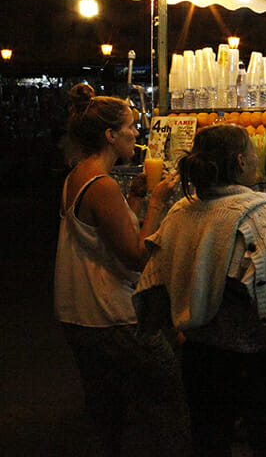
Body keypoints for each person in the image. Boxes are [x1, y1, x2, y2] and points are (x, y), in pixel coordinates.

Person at [134, 124, 266, 457]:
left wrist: (181, 324)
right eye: (254, 153)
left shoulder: (181, 211)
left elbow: (153, 283)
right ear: (241, 161)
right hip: (251, 361)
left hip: (198, 356)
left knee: (208, 441)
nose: (257, 160)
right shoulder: (263, 216)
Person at [55, 83, 188, 457]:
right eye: (130, 127)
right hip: (111, 317)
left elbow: (99, 238)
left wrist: (135, 198)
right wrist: (159, 202)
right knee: (168, 406)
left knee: (105, 410)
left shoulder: (78, 176)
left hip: (79, 316)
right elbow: (134, 255)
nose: (136, 133)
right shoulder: (101, 185)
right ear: (110, 135)